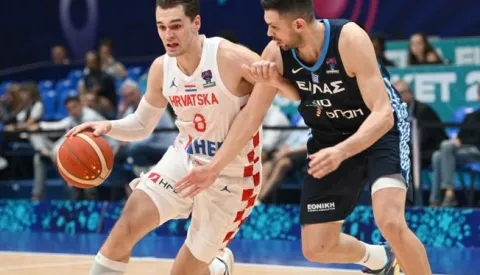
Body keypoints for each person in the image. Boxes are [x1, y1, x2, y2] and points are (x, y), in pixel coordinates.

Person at [176, 1, 432, 274]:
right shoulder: (275, 53)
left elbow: (383, 115)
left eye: (273, 26)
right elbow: (251, 117)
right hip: (328, 139)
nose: (268, 33)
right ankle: (381, 258)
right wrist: (214, 168)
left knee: (390, 222)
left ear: (298, 24)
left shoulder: (349, 38)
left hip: (379, 133)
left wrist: (343, 152)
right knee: (317, 247)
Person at [66, 0, 284, 274]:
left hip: (232, 174)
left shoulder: (229, 56)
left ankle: (217, 268)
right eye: (162, 27)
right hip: (185, 158)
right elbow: (143, 124)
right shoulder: (161, 68)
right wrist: (108, 126)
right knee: (126, 226)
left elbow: (288, 88)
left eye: (176, 26)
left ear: (196, 23)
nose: (169, 35)